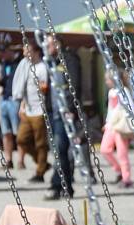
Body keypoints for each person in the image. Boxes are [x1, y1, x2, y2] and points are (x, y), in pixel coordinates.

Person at [45, 36, 81, 201]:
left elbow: (75, 85)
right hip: (54, 112)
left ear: (58, 45)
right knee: (58, 150)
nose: (47, 47)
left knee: (61, 149)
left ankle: (59, 184)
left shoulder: (69, 60)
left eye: (50, 44)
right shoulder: (50, 62)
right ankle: (63, 185)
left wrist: (72, 108)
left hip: (65, 112)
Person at [13, 42, 49, 183]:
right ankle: (42, 163)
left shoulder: (42, 67)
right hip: (28, 110)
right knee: (21, 139)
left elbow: (45, 87)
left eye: (26, 50)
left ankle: (40, 172)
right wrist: (22, 106)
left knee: (40, 143)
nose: (24, 53)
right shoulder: (26, 66)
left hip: (40, 110)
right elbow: (23, 89)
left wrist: (42, 86)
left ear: (35, 51)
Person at [101, 72, 134, 188]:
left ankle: (126, 178)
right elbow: (110, 109)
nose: (106, 82)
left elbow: (131, 107)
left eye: (108, 80)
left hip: (120, 126)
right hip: (111, 125)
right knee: (105, 149)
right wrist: (107, 122)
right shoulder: (111, 92)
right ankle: (118, 170)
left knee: (122, 153)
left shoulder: (124, 91)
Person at [0, 45, 22, 169]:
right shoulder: (4, 64)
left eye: (3, 52)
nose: (2, 56)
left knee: (19, 132)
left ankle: (21, 160)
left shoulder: (20, 63)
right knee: (6, 132)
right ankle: (9, 159)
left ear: (9, 51)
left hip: (15, 99)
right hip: (4, 99)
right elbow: (4, 80)